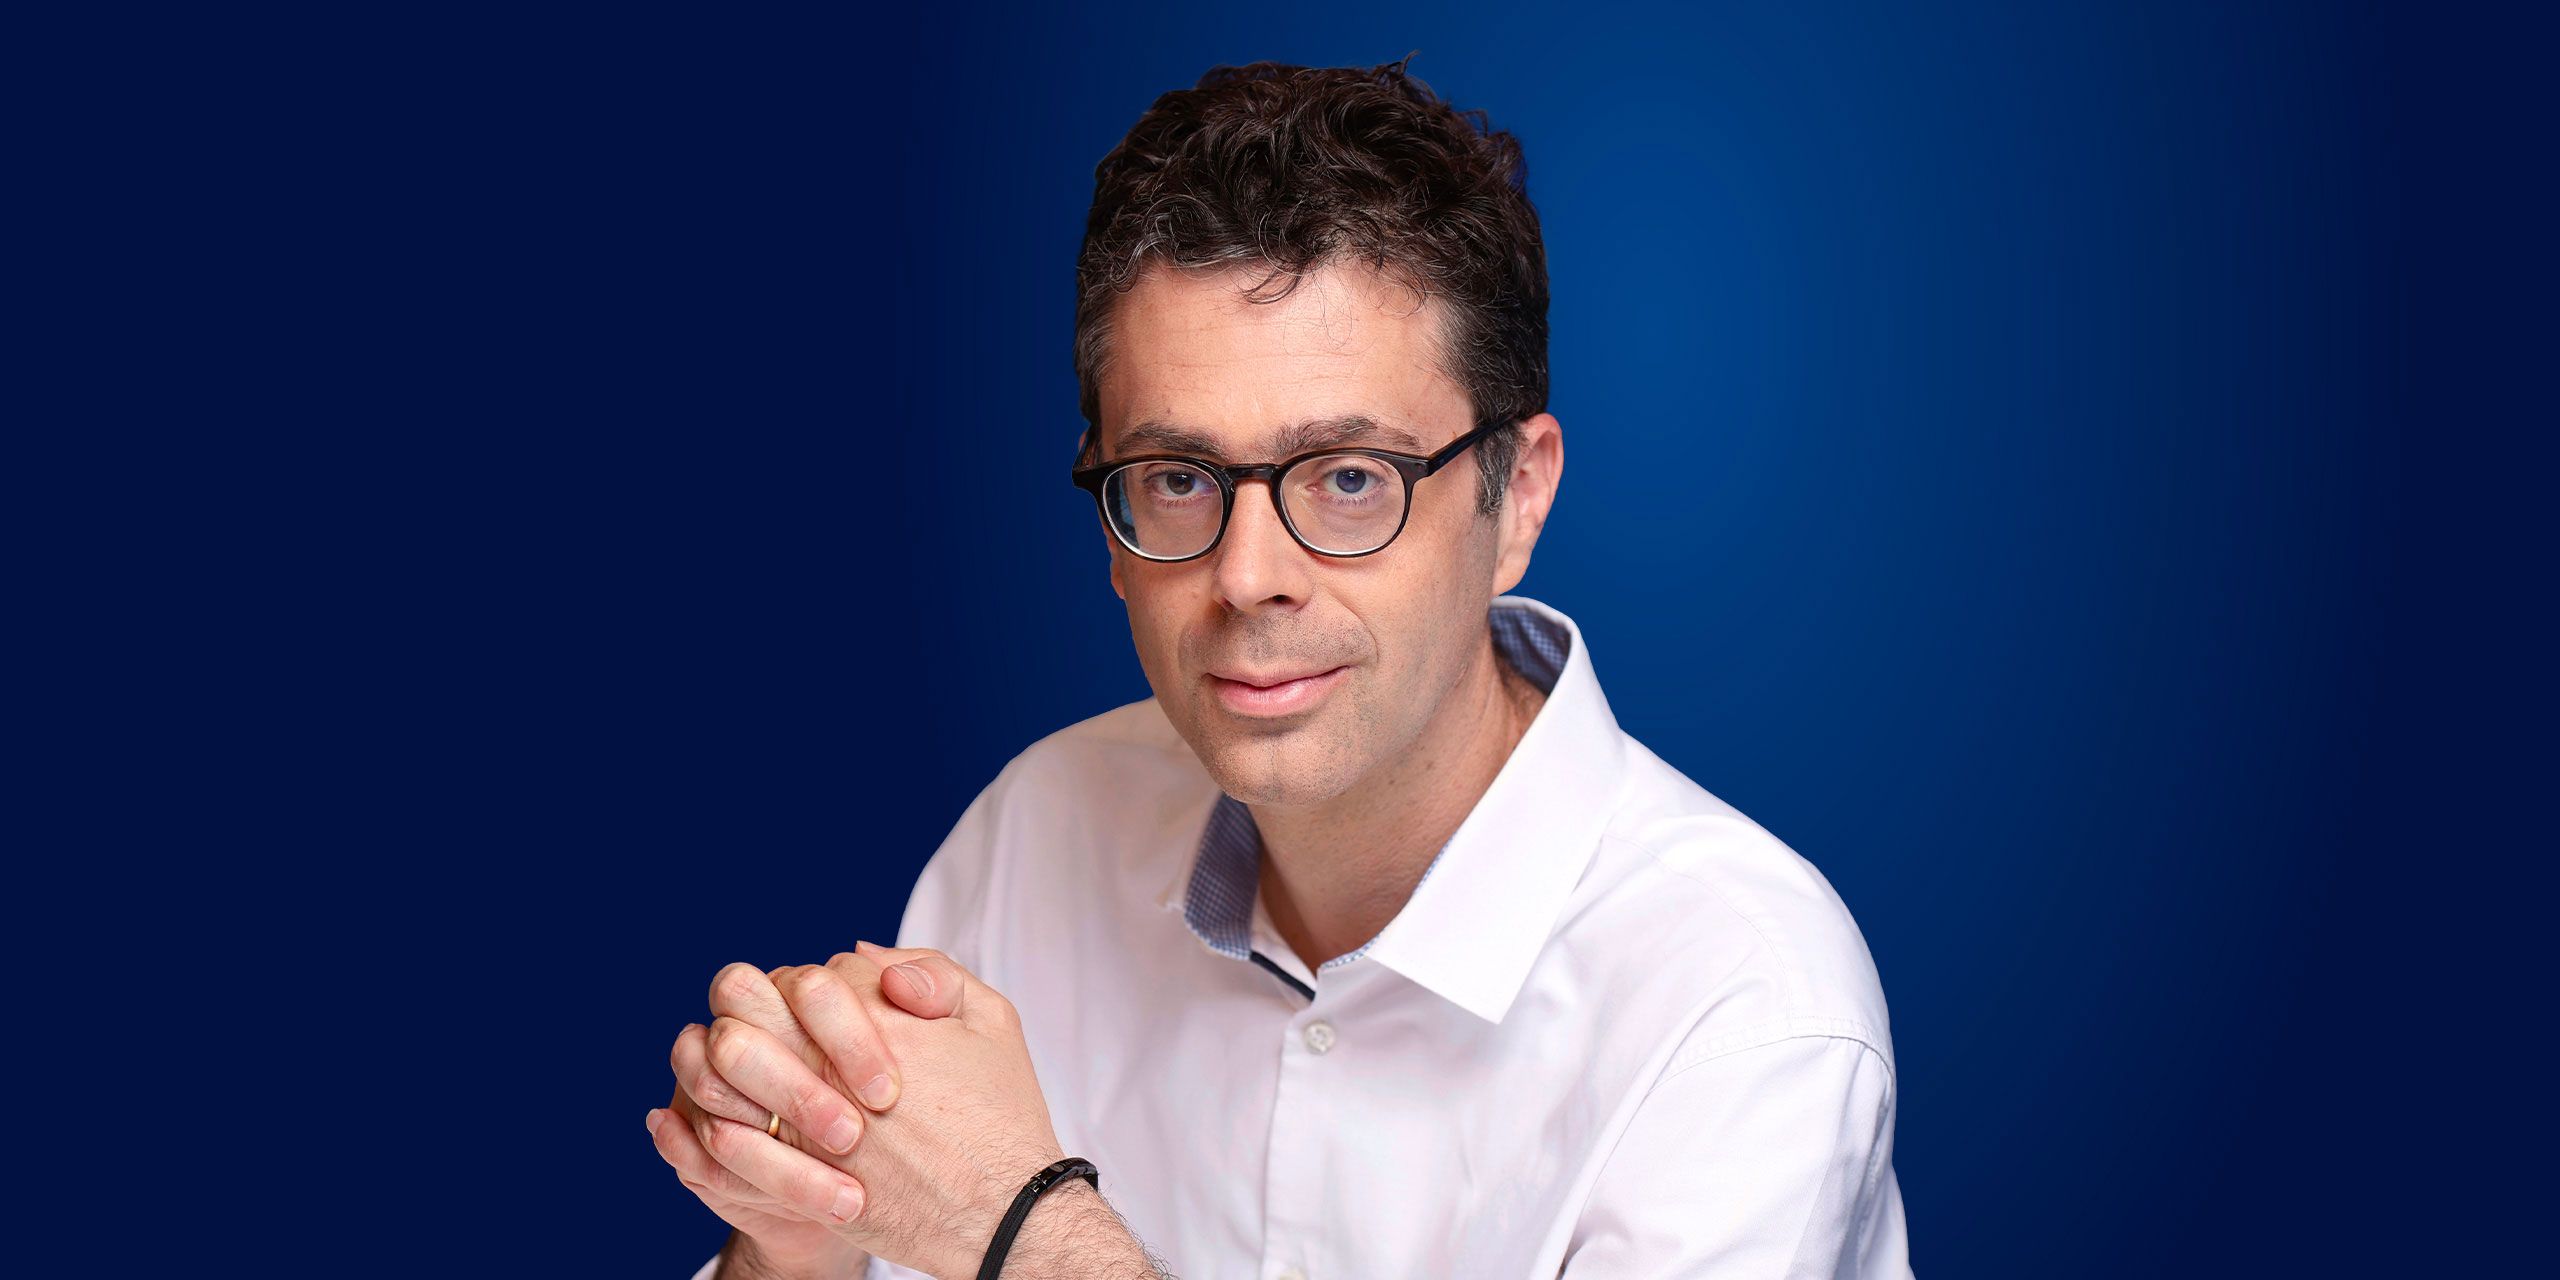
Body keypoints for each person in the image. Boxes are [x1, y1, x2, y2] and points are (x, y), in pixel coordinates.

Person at [645, 58, 1911, 1279]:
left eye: (1349, 477)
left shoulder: (1744, 1005)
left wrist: (1025, 1234)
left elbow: (1002, 1231)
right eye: (1178, 478)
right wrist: (798, 1250)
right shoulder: (1034, 835)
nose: (1248, 574)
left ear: (1516, 496)